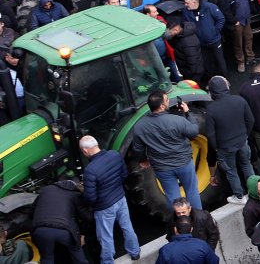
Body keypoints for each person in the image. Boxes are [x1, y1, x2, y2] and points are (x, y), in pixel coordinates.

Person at [130, 90, 202, 209]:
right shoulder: (177, 120)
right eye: (167, 100)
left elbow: (138, 149)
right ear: (162, 106)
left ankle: (179, 222)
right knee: (192, 191)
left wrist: (144, 160)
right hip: (184, 163)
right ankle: (199, 219)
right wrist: (188, 113)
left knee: (173, 198)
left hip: (162, 168)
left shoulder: (139, 126)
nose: (169, 101)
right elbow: (194, 132)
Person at [80, 135, 139, 264]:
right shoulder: (114, 155)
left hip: (104, 207)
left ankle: (107, 261)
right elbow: (124, 174)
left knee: (106, 237)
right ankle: (135, 253)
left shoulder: (90, 170)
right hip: (120, 198)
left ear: (85, 151)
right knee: (127, 227)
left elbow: (90, 197)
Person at [204, 76, 255, 203]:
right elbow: (250, 120)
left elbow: (210, 134)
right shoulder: (240, 100)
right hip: (242, 142)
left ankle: (239, 196)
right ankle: (254, 191)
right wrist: (245, 135)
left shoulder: (211, 109)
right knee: (246, 164)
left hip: (224, 147)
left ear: (212, 91)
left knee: (231, 171)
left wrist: (217, 147)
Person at [31, 178, 90, 264]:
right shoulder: (75, 194)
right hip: (63, 231)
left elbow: (31, 212)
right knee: (76, 250)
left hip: (40, 230)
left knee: (47, 259)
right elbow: (86, 216)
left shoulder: (46, 189)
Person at [181, 0, 226, 83]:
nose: (185, 5)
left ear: (194, 2)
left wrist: (214, 31)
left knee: (219, 61)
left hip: (214, 41)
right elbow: (185, 24)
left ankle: (224, 80)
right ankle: (211, 82)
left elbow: (221, 19)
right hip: (200, 43)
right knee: (206, 63)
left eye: (187, 3)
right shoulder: (185, 11)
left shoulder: (210, 7)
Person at [217, 0, 255, 71]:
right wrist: (234, 21)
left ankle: (250, 57)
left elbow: (247, 0)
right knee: (238, 43)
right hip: (237, 23)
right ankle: (240, 62)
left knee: (248, 38)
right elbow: (225, 10)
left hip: (246, 20)